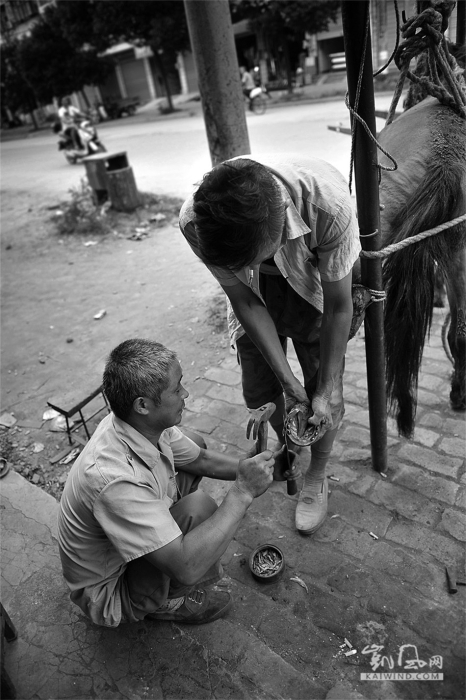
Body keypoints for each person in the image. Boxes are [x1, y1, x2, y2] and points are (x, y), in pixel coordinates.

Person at [179, 154, 361, 536]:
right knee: (261, 389)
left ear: (278, 236)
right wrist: (288, 384)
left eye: (251, 260)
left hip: (316, 286)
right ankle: (287, 443)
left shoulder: (328, 209)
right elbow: (245, 300)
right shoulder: (196, 222)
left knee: (324, 392)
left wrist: (325, 387)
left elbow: (339, 307)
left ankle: (317, 473)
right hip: (252, 292)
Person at [57, 338, 277, 628]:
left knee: (193, 445)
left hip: (123, 538)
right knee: (199, 509)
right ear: (143, 405)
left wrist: (251, 468)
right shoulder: (113, 480)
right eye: (177, 388)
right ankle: (165, 603)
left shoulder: (136, 424)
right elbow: (186, 568)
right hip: (111, 591)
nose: (186, 393)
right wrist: (243, 491)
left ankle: (165, 549)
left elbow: (202, 460)